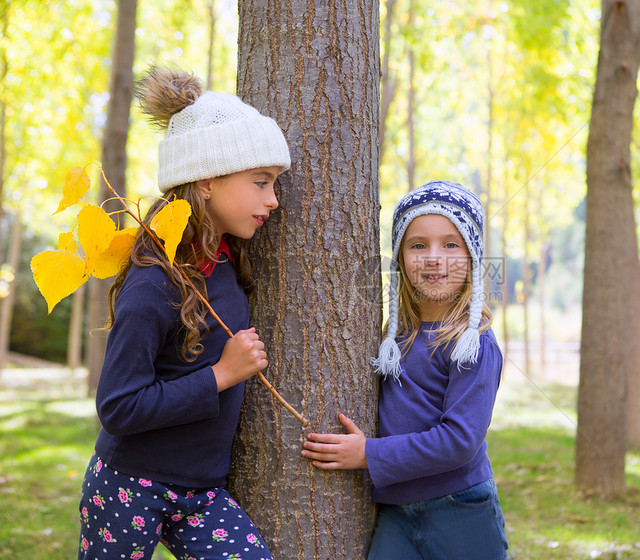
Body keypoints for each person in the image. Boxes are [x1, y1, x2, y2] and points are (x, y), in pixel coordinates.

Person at [77, 67, 290, 560]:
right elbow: (117, 407)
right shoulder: (153, 281)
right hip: (129, 486)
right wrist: (220, 375)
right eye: (261, 182)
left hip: (201, 493)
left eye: (274, 184)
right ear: (208, 180)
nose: (273, 199)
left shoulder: (225, 263)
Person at [301, 181, 508, 559]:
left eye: (451, 244)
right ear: (399, 258)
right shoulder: (393, 337)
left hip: (460, 507)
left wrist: (369, 455)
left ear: (473, 257)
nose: (433, 258)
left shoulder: (473, 343)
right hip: (395, 512)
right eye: (418, 245)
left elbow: (460, 440)